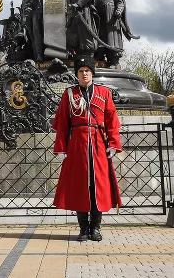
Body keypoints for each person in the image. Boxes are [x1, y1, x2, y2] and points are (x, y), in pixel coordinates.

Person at [52, 55, 122, 241]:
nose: (84, 74)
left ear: (92, 73)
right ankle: (83, 228)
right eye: (81, 71)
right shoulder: (69, 94)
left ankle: (96, 227)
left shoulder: (104, 93)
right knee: (80, 186)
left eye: (87, 71)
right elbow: (62, 123)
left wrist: (114, 143)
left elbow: (112, 120)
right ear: (77, 74)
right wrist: (61, 147)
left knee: (97, 186)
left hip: (98, 144)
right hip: (77, 145)